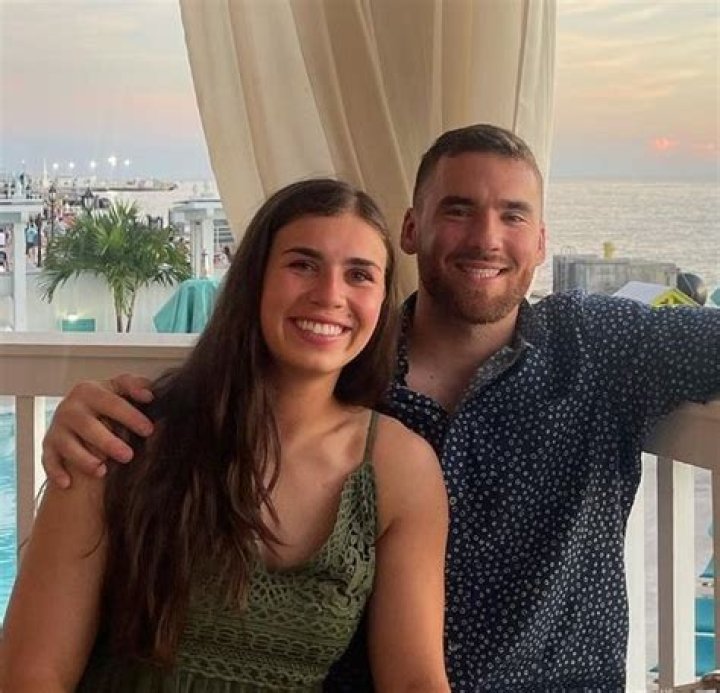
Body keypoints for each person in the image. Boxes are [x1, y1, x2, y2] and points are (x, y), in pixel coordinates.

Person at [34, 124, 720, 691]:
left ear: (541, 241)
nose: (486, 237)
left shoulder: (599, 348)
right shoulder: (344, 375)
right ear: (413, 229)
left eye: (513, 215)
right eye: (458, 209)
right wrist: (87, 420)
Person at [0, 179, 450, 691]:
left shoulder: (399, 468)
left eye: (359, 275)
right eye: (302, 264)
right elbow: (31, 672)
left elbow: (415, 681)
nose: (330, 295)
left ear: (383, 300)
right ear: (253, 280)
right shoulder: (123, 435)